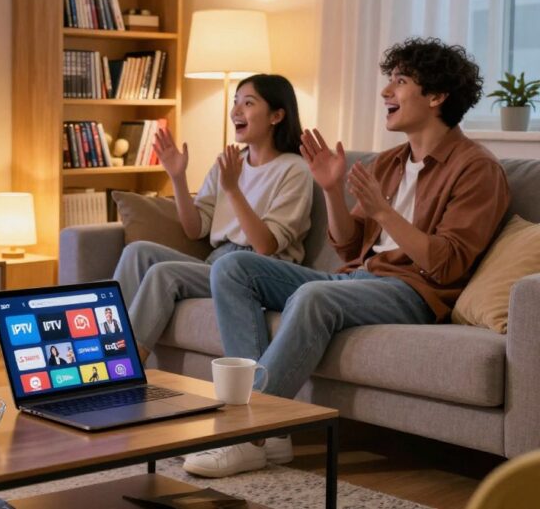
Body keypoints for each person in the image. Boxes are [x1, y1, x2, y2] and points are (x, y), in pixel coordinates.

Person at [184, 37, 510, 479]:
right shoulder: (390, 162)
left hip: (412, 292)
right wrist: (332, 190)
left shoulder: (476, 168)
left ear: (436, 96)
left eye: (400, 81)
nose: (386, 91)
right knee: (232, 267)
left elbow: (447, 263)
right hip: (358, 278)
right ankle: (272, 433)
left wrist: (385, 213)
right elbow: (349, 245)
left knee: (314, 297)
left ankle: (248, 433)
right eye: (389, 80)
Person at [113, 74, 312, 363]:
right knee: (137, 252)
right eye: (235, 102)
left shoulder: (294, 170)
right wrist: (177, 177)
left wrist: (232, 190)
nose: (236, 111)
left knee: (163, 273)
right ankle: (103, 343)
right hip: (216, 261)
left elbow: (266, 246)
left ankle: (124, 364)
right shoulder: (230, 162)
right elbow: (195, 229)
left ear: (276, 116)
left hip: (256, 269)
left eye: (248, 103)